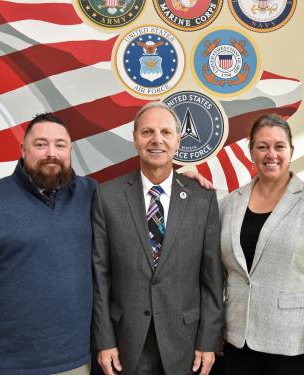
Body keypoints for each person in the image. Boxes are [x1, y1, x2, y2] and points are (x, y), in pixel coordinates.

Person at [0, 113, 96, 375]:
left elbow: (140, 207)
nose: (51, 153)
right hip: (6, 367)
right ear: (23, 150)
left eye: (60, 145)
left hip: (80, 364)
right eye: (40, 144)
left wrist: (183, 185)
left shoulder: (93, 196)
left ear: (70, 150)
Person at [91, 102, 223, 375]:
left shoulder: (202, 199)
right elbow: (100, 276)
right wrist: (104, 340)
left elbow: (212, 278)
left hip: (185, 342)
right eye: (147, 132)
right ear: (135, 139)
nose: (157, 140)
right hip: (126, 341)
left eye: (165, 132)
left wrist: (209, 340)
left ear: (178, 141)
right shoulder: (107, 197)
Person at [219, 114, 304, 374]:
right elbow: (222, 275)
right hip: (236, 339)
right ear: (251, 152)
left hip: (293, 343)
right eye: (262, 146)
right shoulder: (230, 203)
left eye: (279, 146)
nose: (271, 154)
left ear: (291, 150)